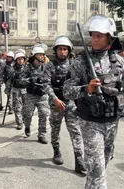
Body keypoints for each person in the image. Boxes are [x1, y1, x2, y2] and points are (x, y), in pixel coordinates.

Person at [63, 14, 124, 189]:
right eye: (93, 35)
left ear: (109, 38)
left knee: (101, 164)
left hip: (112, 122)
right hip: (90, 122)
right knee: (96, 169)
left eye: (100, 36)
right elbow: (66, 91)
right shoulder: (80, 62)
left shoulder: (119, 62)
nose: (95, 39)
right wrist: (85, 89)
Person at [42, 35, 85, 174]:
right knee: (55, 129)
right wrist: (54, 99)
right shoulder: (49, 66)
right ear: (56, 50)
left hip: (70, 103)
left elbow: (80, 82)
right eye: (60, 49)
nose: (63, 52)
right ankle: (56, 151)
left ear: (69, 50)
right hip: (56, 103)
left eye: (65, 49)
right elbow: (46, 85)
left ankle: (79, 159)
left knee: (75, 131)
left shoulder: (74, 65)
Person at [18, 46, 50, 144]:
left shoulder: (45, 67)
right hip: (30, 95)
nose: (41, 57)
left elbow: (50, 79)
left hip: (42, 96)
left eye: (42, 55)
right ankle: (27, 126)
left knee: (44, 114)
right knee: (27, 114)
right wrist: (29, 81)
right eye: (39, 55)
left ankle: (42, 134)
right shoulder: (27, 68)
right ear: (35, 56)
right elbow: (21, 80)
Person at [5, 49, 27, 130]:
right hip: (16, 90)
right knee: (17, 107)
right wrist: (7, 90)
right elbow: (9, 81)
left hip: (25, 90)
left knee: (26, 107)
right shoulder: (12, 69)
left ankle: (25, 120)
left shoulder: (27, 69)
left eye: (22, 59)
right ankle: (19, 122)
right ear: (16, 60)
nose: (21, 61)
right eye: (19, 59)